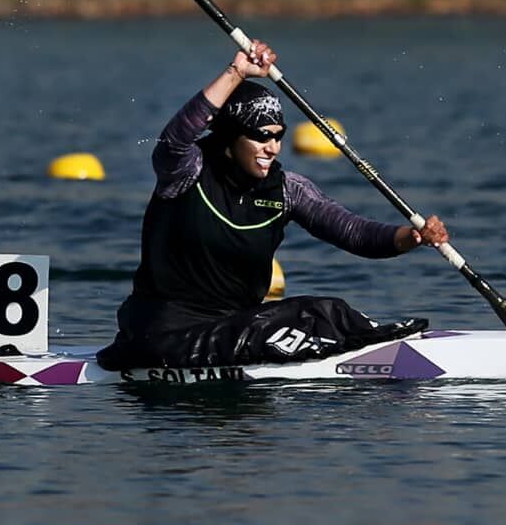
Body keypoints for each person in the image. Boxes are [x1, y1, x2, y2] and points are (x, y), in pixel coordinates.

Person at [96, 40, 450, 370]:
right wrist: (236, 73)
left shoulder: (287, 190)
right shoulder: (186, 172)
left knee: (327, 310)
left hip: (233, 328)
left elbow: (354, 232)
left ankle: (377, 342)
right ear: (229, 139)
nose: (273, 147)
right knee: (294, 321)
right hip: (161, 333)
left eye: (278, 136)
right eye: (261, 136)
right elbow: (175, 139)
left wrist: (412, 237)